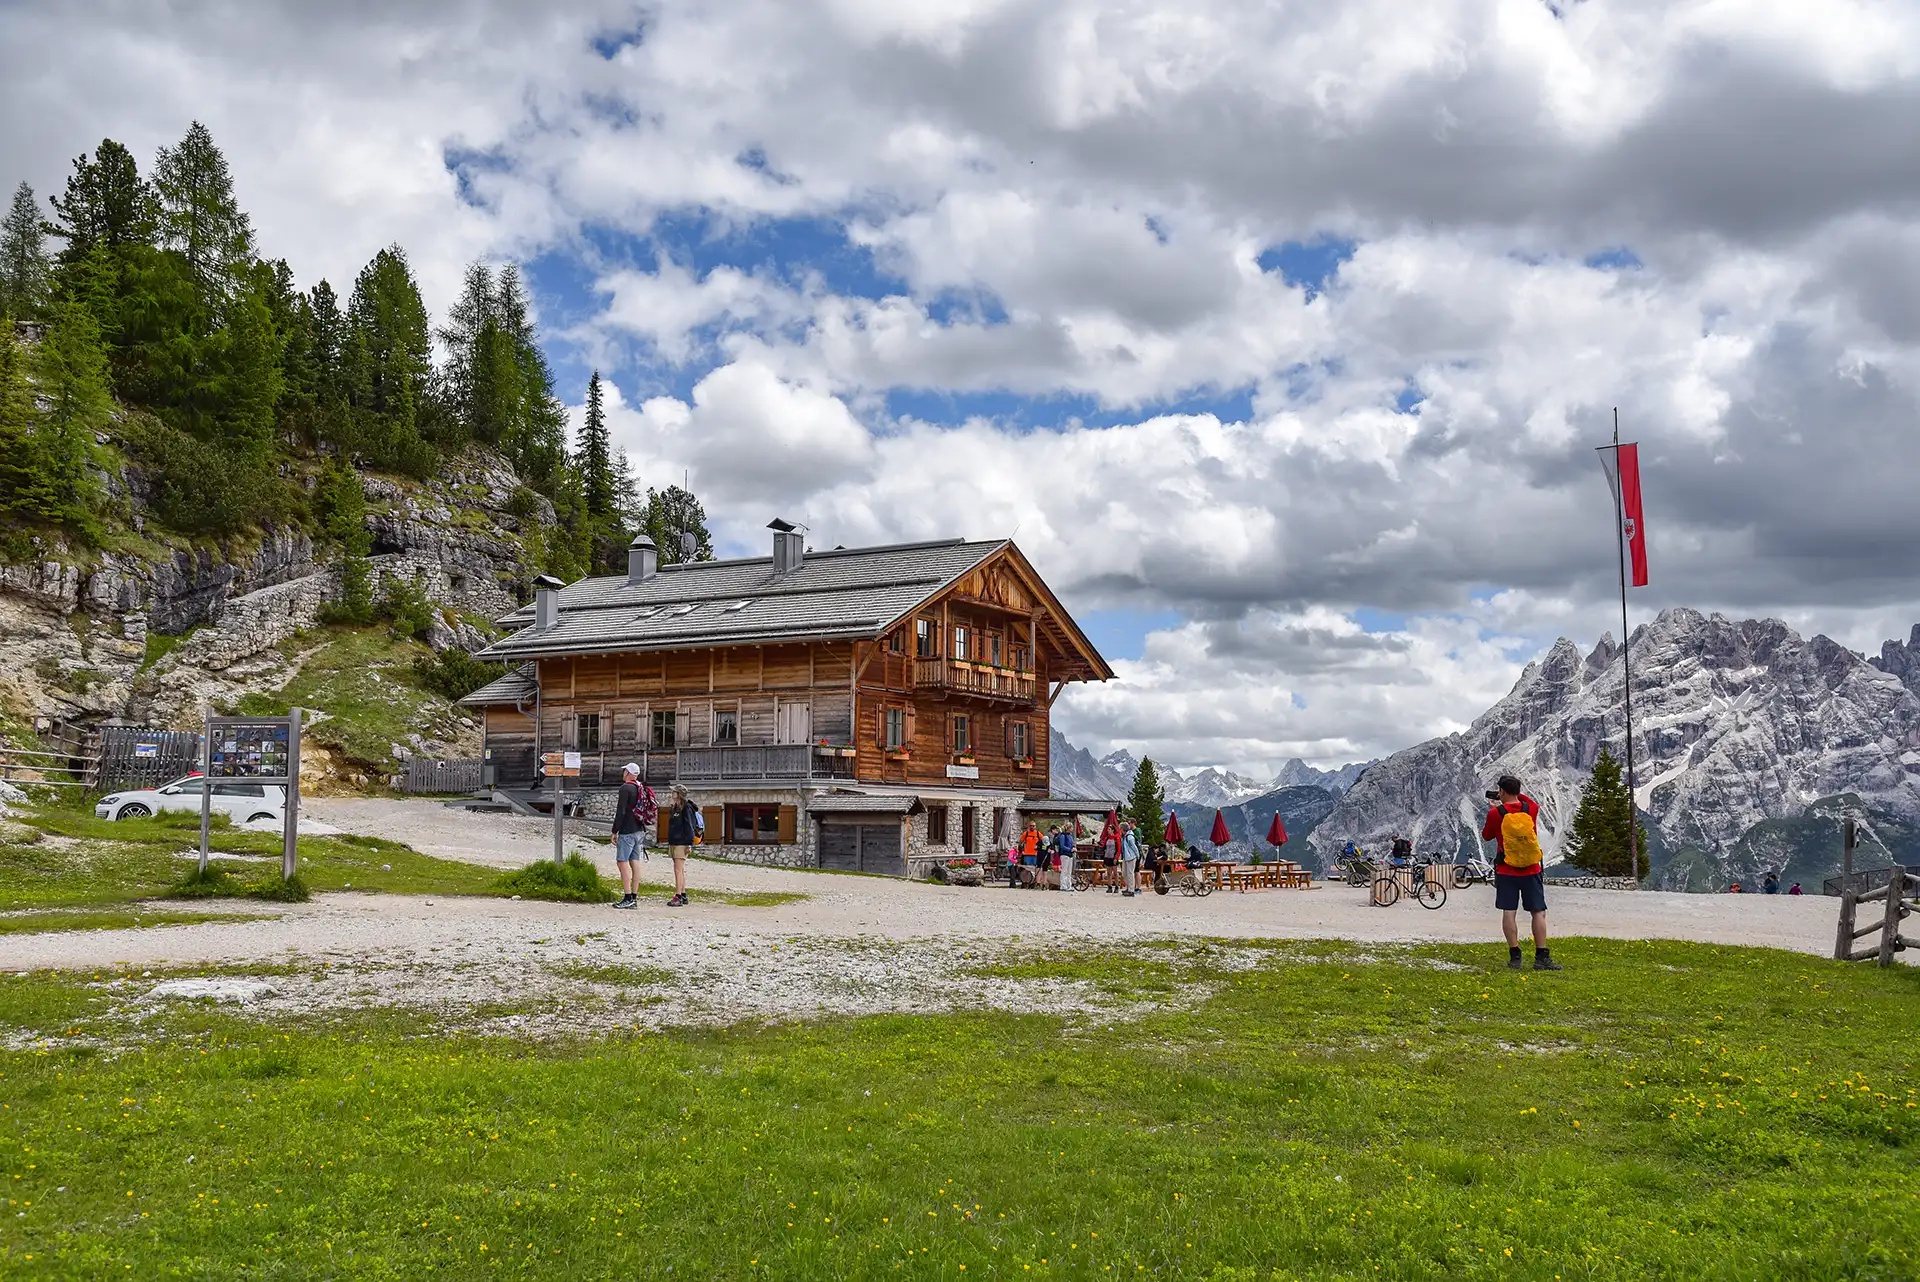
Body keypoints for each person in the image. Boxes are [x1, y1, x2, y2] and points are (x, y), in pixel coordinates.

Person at [1481, 774, 1561, 972]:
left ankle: (1515, 956)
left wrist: (1496, 808)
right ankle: (1541, 957)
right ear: (1517, 791)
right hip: (1531, 868)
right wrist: (1513, 794)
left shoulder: (1496, 814)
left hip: (1506, 869)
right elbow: (1528, 800)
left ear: (1501, 792)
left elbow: (1487, 835)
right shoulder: (1530, 809)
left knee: (1509, 912)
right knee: (1538, 912)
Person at [610, 762, 654, 910]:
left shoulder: (625, 788)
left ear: (628, 773)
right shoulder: (641, 787)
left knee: (622, 862)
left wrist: (614, 830)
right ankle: (634, 896)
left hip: (627, 830)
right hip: (639, 830)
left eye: (624, 771)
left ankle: (627, 896)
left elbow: (621, 811)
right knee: (634, 862)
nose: (623, 774)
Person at [663, 784, 697, 907]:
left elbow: (689, 826)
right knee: (680, 869)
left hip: (682, 842)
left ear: (679, 794)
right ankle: (683, 894)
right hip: (674, 841)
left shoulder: (686, 808)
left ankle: (677, 896)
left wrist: (689, 843)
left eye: (674, 792)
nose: (672, 794)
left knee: (678, 870)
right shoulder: (675, 808)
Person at [1120, 820, 1141, 897]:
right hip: (1126, 857)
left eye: (1120, 828)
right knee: (1124, 873)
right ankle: (1128, 887)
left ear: (1123, 829)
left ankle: (1131, 890)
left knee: (1130, 873)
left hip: (1131, 857)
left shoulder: (1129, 837)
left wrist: (1137, 856)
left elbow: (1134, 847)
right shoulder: (1125, 836)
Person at [1055, 822, 1077, 892]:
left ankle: (1068, 885)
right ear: (1068, 828)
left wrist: (1073, 848)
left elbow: (1072, 844)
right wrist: (1070, 849)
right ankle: (1063, 886)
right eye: (1071, 827)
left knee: (1069, 871)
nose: (1072, 829)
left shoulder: (1070, 836)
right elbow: (1062, 846)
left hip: (1070, 855)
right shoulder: (1063, 836)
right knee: (1064, 870)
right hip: (1064, 855)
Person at [1021, 822, 1041, 888]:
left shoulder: (1038, 834)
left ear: (1035, 826)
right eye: (1031, 826)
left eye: (1033, 826)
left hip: (1035, 854)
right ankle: (1026, 882)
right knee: (1027, 869)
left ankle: (1034, 883)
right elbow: (1020, 842)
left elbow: (1043, 841)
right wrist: (1022, 850)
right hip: (1027, 855)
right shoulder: (1026, 834)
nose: (1032, 827)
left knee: (1034, 869)